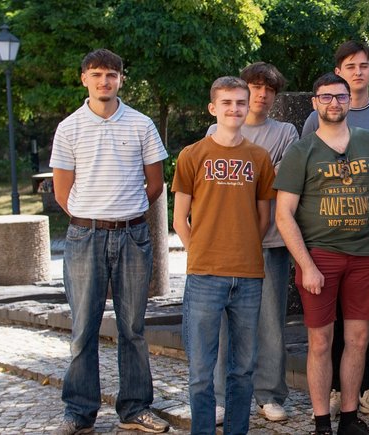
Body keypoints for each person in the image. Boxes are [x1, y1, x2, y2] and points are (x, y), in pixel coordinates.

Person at [274, 72, 369, 435]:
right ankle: (321, 423)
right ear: (315, 103)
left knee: (359, 339)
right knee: (320, 341)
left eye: (340, 97)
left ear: (350, 101)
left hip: (366, 255)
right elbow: (283, 214)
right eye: (326, 97)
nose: (334, 103)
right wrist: (306, 265)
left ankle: (349, 418)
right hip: (320, 256)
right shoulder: (301, 151)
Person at [50, 48, 169, 435]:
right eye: (97, 74)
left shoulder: (141, 124)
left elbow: (155, 183)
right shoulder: (68, 128)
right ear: (83, 77)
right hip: (85, 236)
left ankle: (135, 408)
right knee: (83, 327)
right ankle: (79, 412)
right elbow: (62, 191)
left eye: (112, 75)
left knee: (133, 328)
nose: (105, 81)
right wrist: (92, 215)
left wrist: (125, 209)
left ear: (121, 79)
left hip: (133, 235)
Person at [172, 76, 275, 434]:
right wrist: (200, 250)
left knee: (243, 368)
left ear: (248, 108)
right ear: (213, 108)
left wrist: (243, 246)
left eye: (240, 103)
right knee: (201, 370)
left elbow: (264, 217)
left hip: (248, 276)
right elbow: (178, 218)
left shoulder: (259, 158)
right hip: (204, 276)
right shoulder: (192, 155)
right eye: (227, 103)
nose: (234, 109)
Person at [207, 63, 299, 424]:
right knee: (222, 324)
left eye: (269, 89)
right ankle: (220, 397)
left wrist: (248, 175)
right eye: (255, 87)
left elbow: (278, 180)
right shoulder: (217, 129)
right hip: (226, 242)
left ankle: (270, 395)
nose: (261, 94)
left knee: (270, 323)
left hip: (271, 241)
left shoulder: (285, 132)